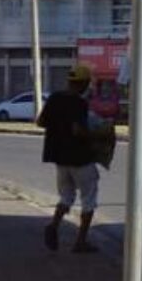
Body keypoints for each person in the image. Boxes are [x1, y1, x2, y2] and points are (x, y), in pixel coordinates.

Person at [38, 65, 101, 253]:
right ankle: (80, 241)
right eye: (87, 83)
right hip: (80, 158)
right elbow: (77, 130)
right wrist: (94, 136)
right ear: (82, 83)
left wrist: (58, 126)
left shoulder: (55, 98)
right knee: (89, 199)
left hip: (60, 159)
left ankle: (54, 225)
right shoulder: (78, 103)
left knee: (66, 197)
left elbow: (41, 122)